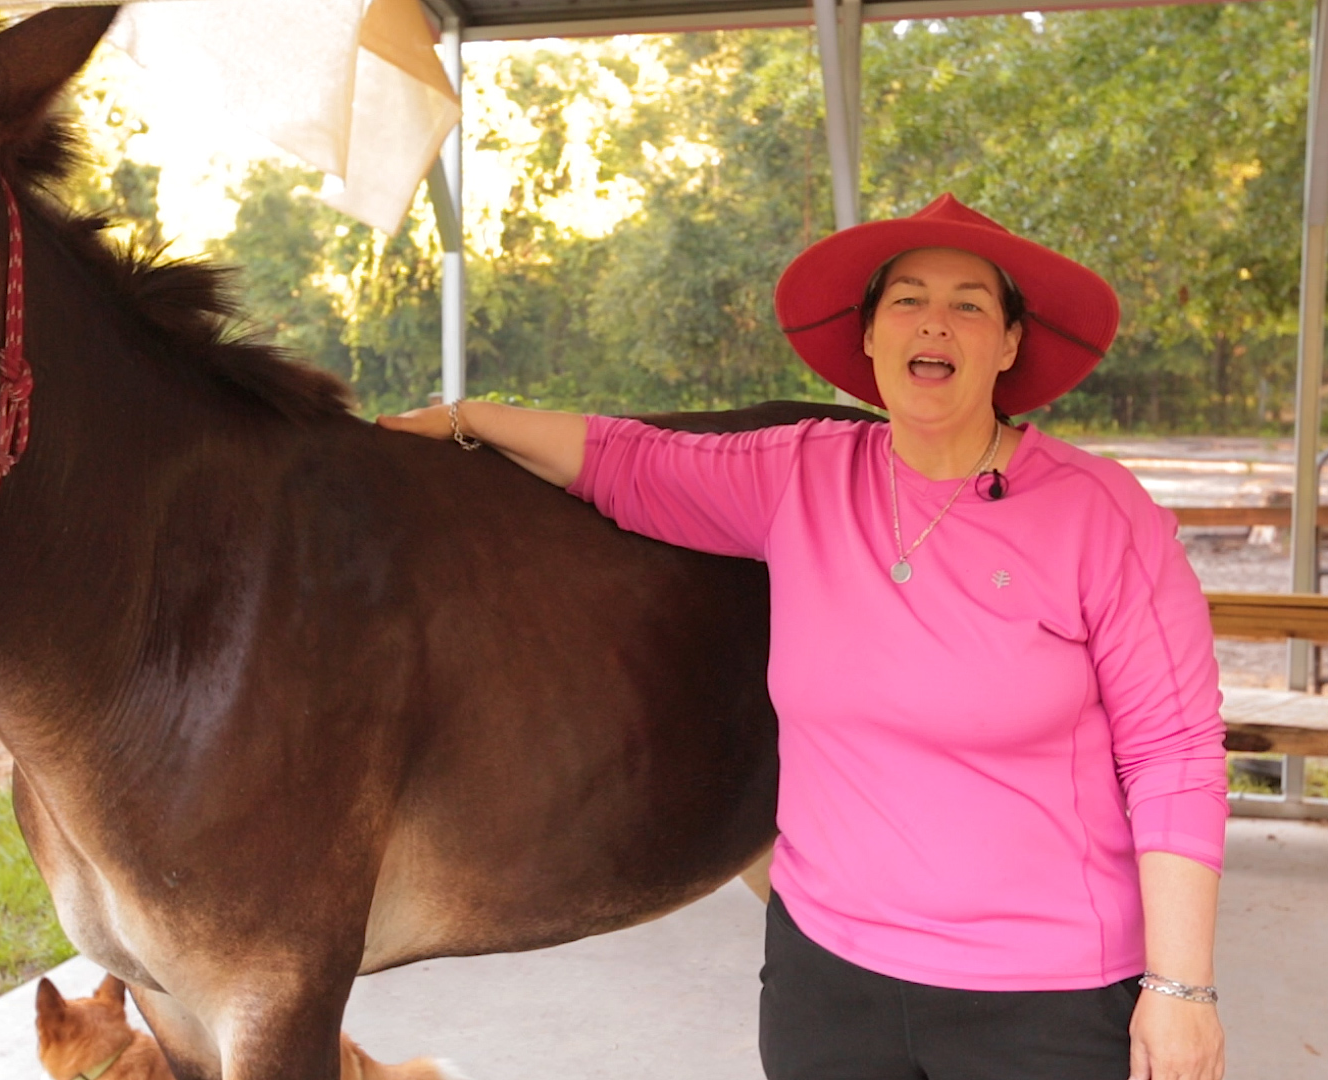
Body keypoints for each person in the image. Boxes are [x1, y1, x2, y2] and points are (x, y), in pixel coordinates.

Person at [379, 194, 1228, 1080]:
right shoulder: (802, 472)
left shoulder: (1101, 516)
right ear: (869, 336)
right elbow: (626, 459)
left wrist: (1181, 992)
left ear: (1010, 343)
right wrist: (469, 418)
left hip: (1043, 1000)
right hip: (828, 983)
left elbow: (1176, 756)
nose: (934, 321)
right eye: (907, 299)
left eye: (970, 303)